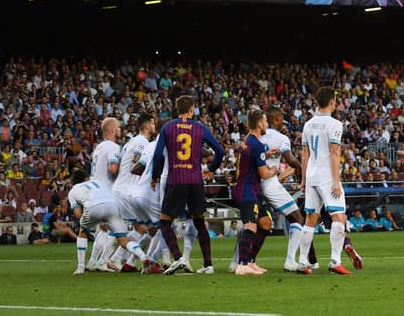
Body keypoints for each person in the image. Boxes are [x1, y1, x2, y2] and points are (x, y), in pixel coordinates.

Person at [148, 95, 225, 276]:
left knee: (165, 222)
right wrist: (212, 168)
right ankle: (208, 265)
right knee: (199, 222)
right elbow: (220, 151)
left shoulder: (167, 127)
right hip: (196, 181)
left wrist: (154, 176)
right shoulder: (200, 128)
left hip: (176, 180)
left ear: (177, 109)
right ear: (192, 109)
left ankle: (178, 258)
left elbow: (158, 154)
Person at [295, 86, 363, 275]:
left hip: (311, 176)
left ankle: (302, 262)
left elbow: (304, 155)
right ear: (332, 102)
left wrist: (303, 179)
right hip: (326, 176)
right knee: (339, 217)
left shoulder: (308, 124)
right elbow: (334, 154)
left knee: (310, 219)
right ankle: (335, 261)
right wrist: (336, 181)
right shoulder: (334, 124)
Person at [261, 107, 319, 274]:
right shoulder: (281, 138)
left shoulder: (257, 136)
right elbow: (290, 159)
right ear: (276, 119)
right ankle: (290, 261)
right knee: (297, 217)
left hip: (254, 184)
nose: (283, 125)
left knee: (251, 224)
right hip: (269, 183)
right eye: (281, 121)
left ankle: (237, 261)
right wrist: (303, 170)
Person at [66, 172, 151, 276]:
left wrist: (91, 222)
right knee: (123, 241)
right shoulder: (98, 182)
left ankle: (80, 267)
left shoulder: (73, 190)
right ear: (86, 178)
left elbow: (78, 214)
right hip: (112, 206)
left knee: (83, 231)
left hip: (93, 207)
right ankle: (143, 257)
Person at [232, 109, 282, 275]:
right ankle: (242, 264)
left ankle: (250, 261)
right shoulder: (257, 145)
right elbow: (264, 174)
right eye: (266, 121)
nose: (267, 124)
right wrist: (275, 170)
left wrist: (265, 155)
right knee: (250, 226)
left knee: (264, 224)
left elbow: (251, 160)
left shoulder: (247, 141)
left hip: (246, 189)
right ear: (260, 124)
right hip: (246, 191)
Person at [112, 113, 159, 272]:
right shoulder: (141, 141)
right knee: (148, 229)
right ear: (147, 127)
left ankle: (127, 262)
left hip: (123, 189)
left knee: (143, 229)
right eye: (153, 124)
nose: (154, 127)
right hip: (127, 190)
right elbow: (137, 159)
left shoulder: (132, 140)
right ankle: (119, 260)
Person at [85, 116, 123, 271]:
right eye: (118, 128)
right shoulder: (113, 147)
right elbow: (113, 169)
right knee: (118, 229)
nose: (120, 130)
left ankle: (92, 262)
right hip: (107, 192)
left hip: (94, 191)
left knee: (103, 229)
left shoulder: (98, 148)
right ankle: (103, 262)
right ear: (112, 130)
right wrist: (125, 172)